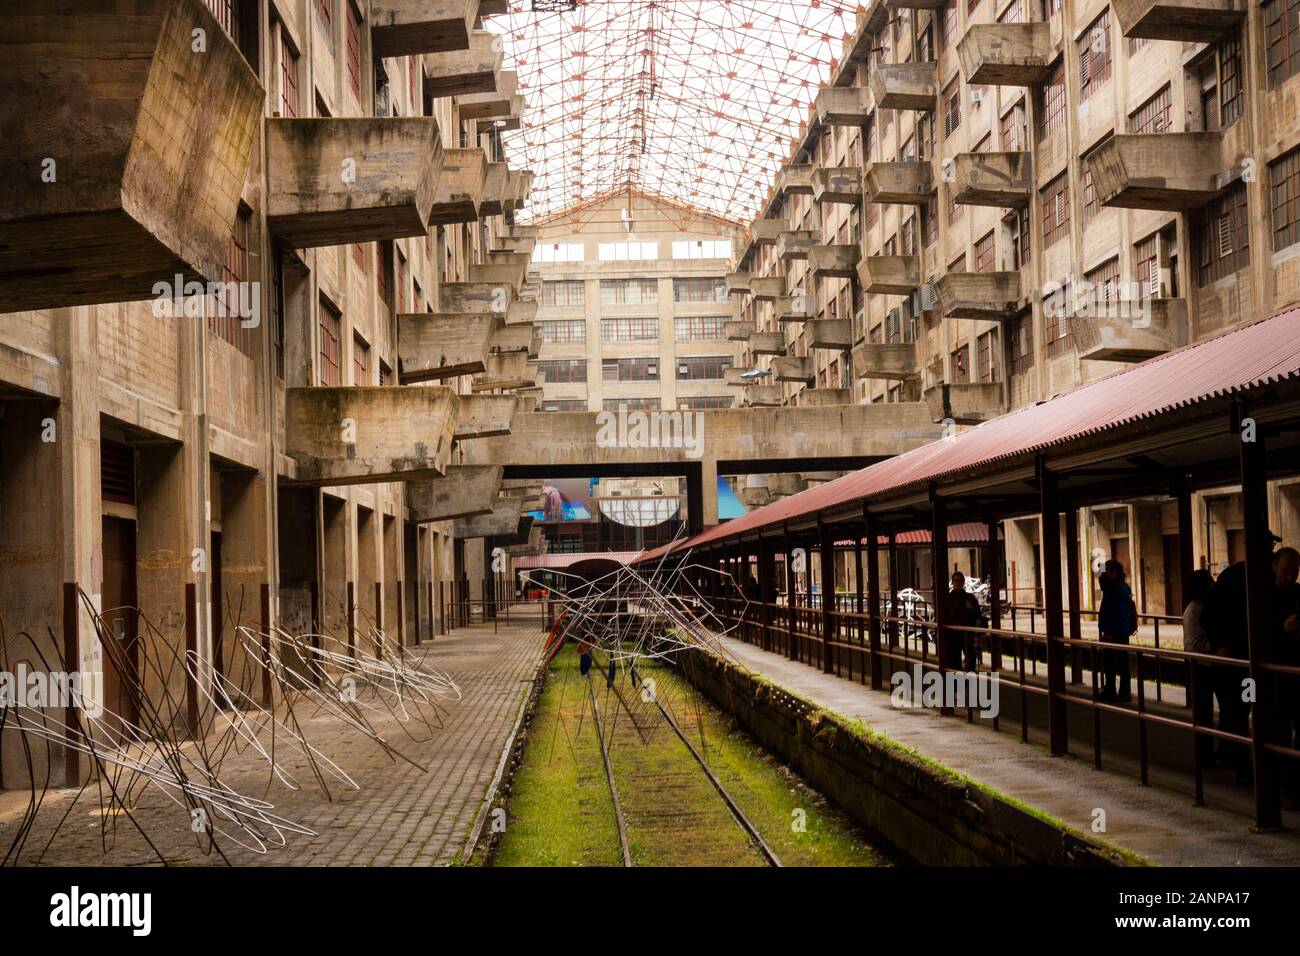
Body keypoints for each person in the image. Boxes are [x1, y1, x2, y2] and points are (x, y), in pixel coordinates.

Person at [1183, 569, 1216, 766]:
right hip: (1201, 665)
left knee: (1204, 710)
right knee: (1203, 711)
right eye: (1210, 581)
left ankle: (1207, 753)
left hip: (1200, 664)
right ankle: (1205, 755)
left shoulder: (1196, 607)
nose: (1214, 583)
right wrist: (1215, 649)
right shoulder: (1197, 609)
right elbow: (1195, 643)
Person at [1098, 559, 1136, 702]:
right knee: (1116, 663)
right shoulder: (1113, 586)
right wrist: (1101, 564)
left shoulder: (1118, 589)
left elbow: (1118, 613)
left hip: (1116, 632)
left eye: (1107, 570)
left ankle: (1118, 692)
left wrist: (1109, 632)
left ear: (1114, 573)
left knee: (1116, 663)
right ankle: (1115, 690)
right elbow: (1101, 581)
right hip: (1118, 631)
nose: (1105, 573)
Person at [943, 571, 982, 671]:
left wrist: (971, 608)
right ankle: (957, 681)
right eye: (956, 580)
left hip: (967, 633)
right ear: (952, 582)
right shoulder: (948, 598)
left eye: (960, 581)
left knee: (970, 658)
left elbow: (978, 614)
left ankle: (969, 680)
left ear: (963, 582)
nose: (958, 583)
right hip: (953, 633)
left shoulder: (970, 598)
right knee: (954, 659)